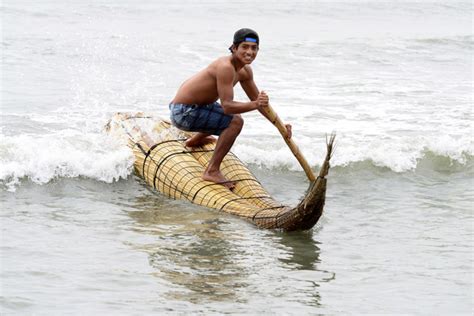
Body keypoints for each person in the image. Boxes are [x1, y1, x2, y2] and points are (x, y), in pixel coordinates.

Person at [169, 28, 292, 189]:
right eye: (245, 47)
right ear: (234, 48)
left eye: (254, 48)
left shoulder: (245, 71)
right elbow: (228, 107)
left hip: (198, 107)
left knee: (228, 115)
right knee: (235, 122)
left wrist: (281, 127)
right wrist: (256, 104)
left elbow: (260, 105)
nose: (250, 52)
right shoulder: (225, 67)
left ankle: (195, 140)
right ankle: (211, 171)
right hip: (183, 112)